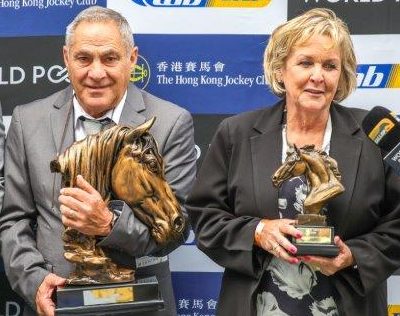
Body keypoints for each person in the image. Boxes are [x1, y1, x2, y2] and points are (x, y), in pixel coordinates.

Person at [186, 8, 400, 316]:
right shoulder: (237, 133)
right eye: (305, 63)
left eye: (330, 65)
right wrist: (257, 231)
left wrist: (353, 255)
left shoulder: (373, 135)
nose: (318, 76)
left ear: (342, 75)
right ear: (280, 70)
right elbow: (204, 217)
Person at [0, 6, 196, 316]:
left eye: (109, 58)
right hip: (54, 305)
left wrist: (109, 224)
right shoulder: (28, 121)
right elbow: (13, 221)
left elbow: (178, 226)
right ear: (66, 58)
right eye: (83, 58)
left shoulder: (170, 123)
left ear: (131, 59)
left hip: (140, 306)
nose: (96, 72)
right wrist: (35, 281)